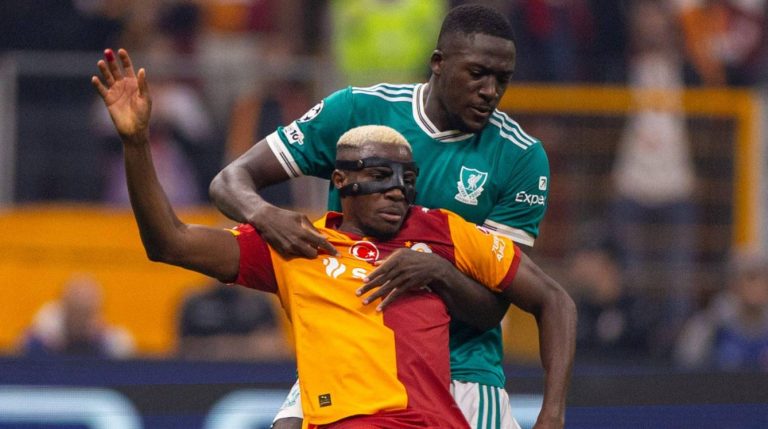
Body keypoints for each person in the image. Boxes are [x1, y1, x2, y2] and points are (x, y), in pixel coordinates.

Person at [91, 47, 576, 428]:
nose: (398, 191)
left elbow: (534, 301)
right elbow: (170, 241)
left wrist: (438, 271)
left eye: (408, 180)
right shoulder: (298, 245)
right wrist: (136, 143)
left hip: (450, 392)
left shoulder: (443, 230)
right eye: (381, 176)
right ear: (340, 180)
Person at [209, 5, 563, 428]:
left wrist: (436, 271)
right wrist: (266, 215)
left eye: (502, 79)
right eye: (477, 74)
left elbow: (492, 307)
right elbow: (230, 180)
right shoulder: (356, 111)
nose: (490, 91)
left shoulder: (519, 157)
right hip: (348, 352)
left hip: (459, 368)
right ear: (438, 63)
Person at [20, 274, 135, 359]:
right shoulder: (40, 341)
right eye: (76, 312)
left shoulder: (111, 344)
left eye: (87, 313)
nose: (81, 320)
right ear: (64, 308)